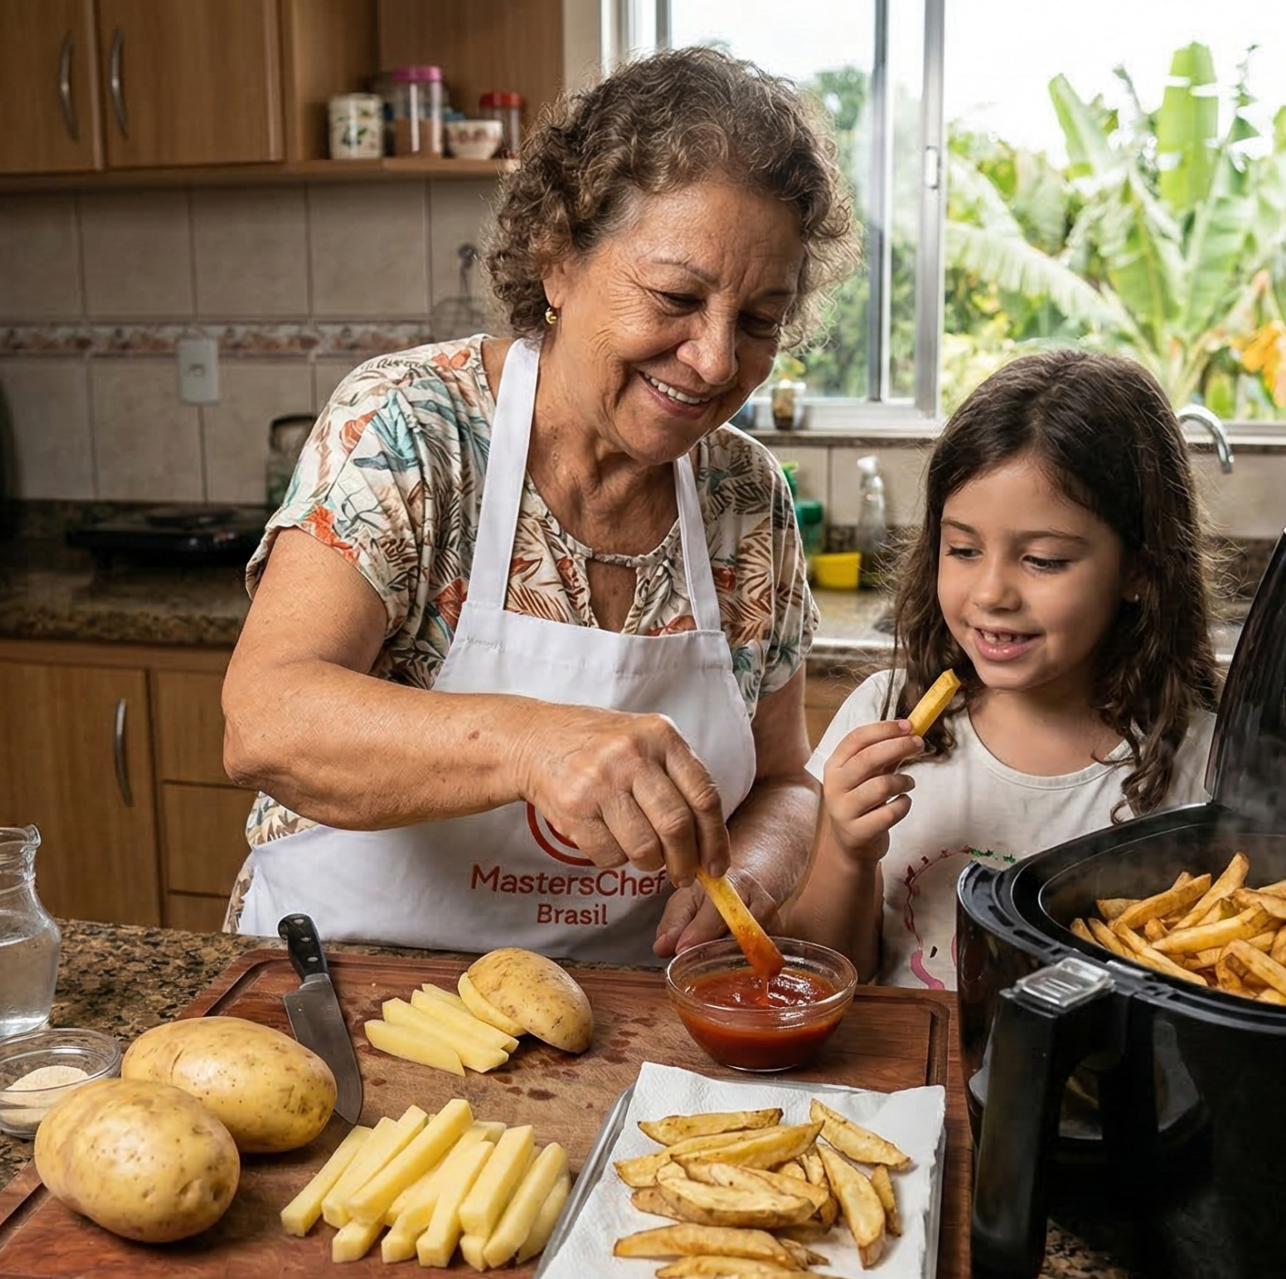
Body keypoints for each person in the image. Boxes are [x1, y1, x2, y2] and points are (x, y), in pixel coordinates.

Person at [219, 48, 860, 965]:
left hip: (618, 1017)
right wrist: (533, 746)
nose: (718, 362)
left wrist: (752, 875)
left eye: (759, 321)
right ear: (557, 264)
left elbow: (789, 780)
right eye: (677, 297)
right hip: (350, 983)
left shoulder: (745, 497)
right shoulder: (412, 427)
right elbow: (265, 720)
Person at [791, 350, 1222, 989]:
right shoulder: (882, 713)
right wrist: (846, 851)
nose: (991, 592)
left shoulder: (1205, 763)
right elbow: (816, 974)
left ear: (1139, 569)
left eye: (1044, 560)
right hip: (901, 1086)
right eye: (962, 549)